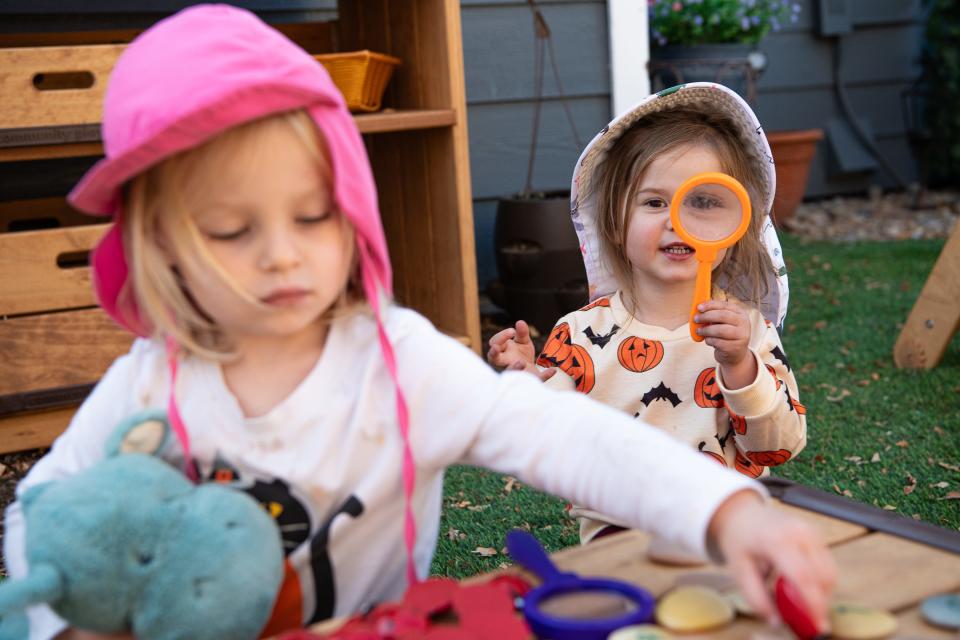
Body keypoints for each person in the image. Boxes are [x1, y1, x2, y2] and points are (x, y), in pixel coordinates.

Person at [3, 10, 834, 639]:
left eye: (315, 216)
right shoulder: (153, 378)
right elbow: (45, 512)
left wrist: (727, 509)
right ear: (158, 246)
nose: (285, 256)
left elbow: (571, 435)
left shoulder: (398, 365)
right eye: (231, 230)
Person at [488, 83, 807, 545]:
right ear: (615, 223)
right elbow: (546, 443)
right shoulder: (579, 335)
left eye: (703, 201)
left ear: (735, 225)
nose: (677, 220)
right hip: (616, 534)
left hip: (723, 528)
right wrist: (524, 380)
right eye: (655, 202)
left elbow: (777, 446)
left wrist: (740, 367)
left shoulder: (749, 333)